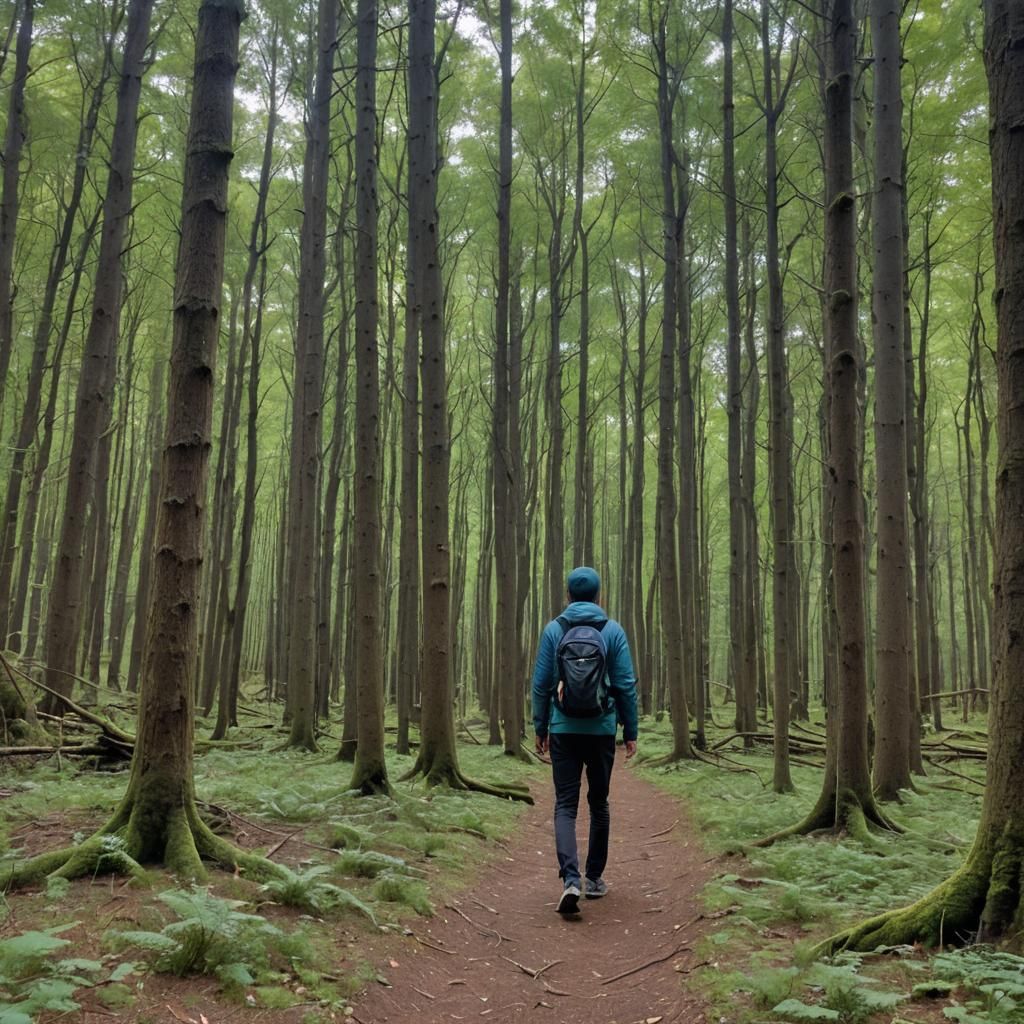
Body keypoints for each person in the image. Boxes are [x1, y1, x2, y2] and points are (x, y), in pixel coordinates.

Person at [531, 566, 638, 915]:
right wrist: (630, 731)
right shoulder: (613, 631)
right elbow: (625, 685)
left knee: (565, 804)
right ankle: (594, 879)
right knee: (599, 803)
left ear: (568, 595)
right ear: (598, 595)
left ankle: (570, 879)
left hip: (563, 728)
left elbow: (541, 683)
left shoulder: (554, 629)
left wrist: (540, 726)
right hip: (602, 729)